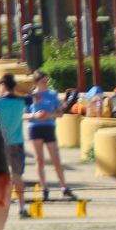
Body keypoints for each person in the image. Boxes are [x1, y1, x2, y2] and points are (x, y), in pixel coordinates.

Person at [25, 70, 69, 199]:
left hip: (49, 127)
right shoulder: (31, 97)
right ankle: (44, 188)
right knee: (40, 160)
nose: (45, 83)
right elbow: (23, 115)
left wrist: (49, 115)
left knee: (56, 159)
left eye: (46, 80)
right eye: (43, 81)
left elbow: (60, 113)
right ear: (37, 82)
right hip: (35, 128)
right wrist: (35, 115)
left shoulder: (52, 94)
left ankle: (64, 186)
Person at [0, 75, 28, 214]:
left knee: (1, 175)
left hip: (2, 142)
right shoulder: (22, 101)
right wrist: (19, 89)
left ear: (4, 85)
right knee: (17, 175)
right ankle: (22, 206)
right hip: (17, 142)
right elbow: (33, 96)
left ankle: (0, 206)